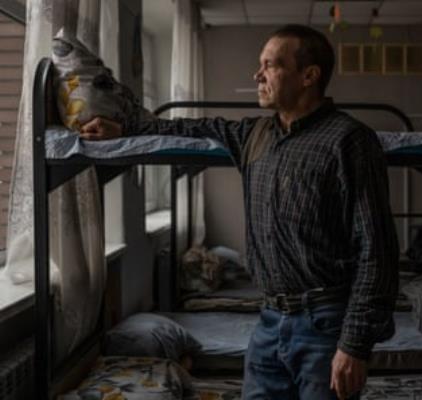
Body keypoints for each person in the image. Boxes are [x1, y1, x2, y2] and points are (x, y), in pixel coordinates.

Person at [81, 24, 399, 400]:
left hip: (325, 323)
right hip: (267, 320)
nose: (257, 74)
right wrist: (126, 129)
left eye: (270, 64)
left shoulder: (348, 140)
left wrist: (355, 345)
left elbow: (376, 251)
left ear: (309, 76)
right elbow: (185, 128)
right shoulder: (255, 135)